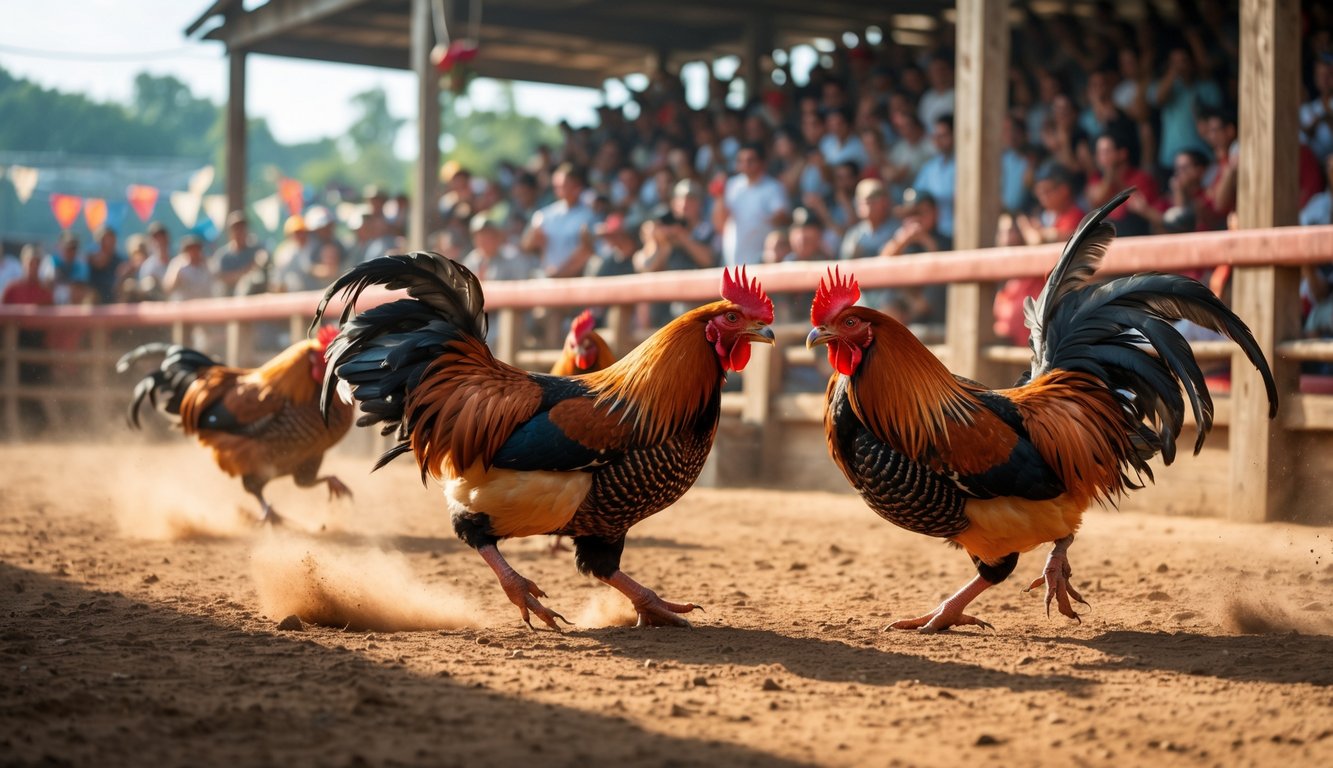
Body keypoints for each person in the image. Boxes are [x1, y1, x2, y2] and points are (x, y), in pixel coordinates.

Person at [877, 188, 950, 326]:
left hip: (934, 308)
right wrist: (902, 241)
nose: (915, 218)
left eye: (920, 212)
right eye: (910, 213)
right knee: (889, 292)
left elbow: (941, 269)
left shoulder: (945, 240)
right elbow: (880, 263)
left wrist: (924, 239)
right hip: (907, 302)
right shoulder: (901, 238)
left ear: (935, 212)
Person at [1148, 46, 1223, 173]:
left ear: (1192, 62)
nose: (1180, 66)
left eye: (1184, 61)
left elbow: (1217, 118)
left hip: (1202, 157)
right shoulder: (1163, 87)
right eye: (1174, 63)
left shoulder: (1207, 87)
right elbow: (1158, 99)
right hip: (1171, 159)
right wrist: (1173, 73)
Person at [714, 142, 789, 267]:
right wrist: (720, 197)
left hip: (762, 264)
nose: (745, 165)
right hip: (732, 263)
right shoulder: (731, 186)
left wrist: (758, 221)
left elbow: (782, 218)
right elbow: (719, 223)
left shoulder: (773, 188)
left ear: (762, 162)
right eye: (741, 161)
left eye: (750, 161)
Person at [522, 163, 597, 278]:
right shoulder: (543, 215)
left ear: (577, 185)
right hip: (551, 280)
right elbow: (527, 246)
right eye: (556, 186)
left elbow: (588, 251)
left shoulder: (590, 215)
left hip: (579, 279)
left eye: (564, 185)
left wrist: (560, 273)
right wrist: (534, 237)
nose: (559, 190)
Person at [911, 115, 956, 239]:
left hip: (957, 233)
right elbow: (915, 196)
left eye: (943, 135)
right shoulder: (930, 167)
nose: (938, 140)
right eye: (935, 136)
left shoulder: (965, 166)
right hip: (932, 232)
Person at [462, 216, 538, 281]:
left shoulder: (512, 257)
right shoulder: (471, 260)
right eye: (479, 236)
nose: (483, 240)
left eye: (488, 235)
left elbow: (521, 287)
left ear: (498, 237)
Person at [839, 179, 898, 261]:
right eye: (865, 202)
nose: (868, 206)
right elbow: (846, 263)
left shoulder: (897, 230)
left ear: (885, 202)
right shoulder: (854, 234)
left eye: (873, 201)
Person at [213, 211, 269, 297]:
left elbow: (264, 262)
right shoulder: (223, 255)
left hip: (253, 299)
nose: (239, 231)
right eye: (236, 228)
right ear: (230, 232)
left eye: (242, 228)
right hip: (229, 300)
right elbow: (222, 278)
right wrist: (247, 271)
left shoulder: (255, 250)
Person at [162, 235, 215, 302]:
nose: (194, 252)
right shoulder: (178, 265)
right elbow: (168, 288)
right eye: (190, 249)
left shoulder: (207, 265)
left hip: (204, 306)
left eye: (196, 249)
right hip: (184, 307)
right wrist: (178, 272)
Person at [86, 227, 124, 304]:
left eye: (111, 239)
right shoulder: (90, 259)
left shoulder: (119, 260)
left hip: (113, 295)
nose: (109, 242)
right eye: (106, 239)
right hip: (96, 296)